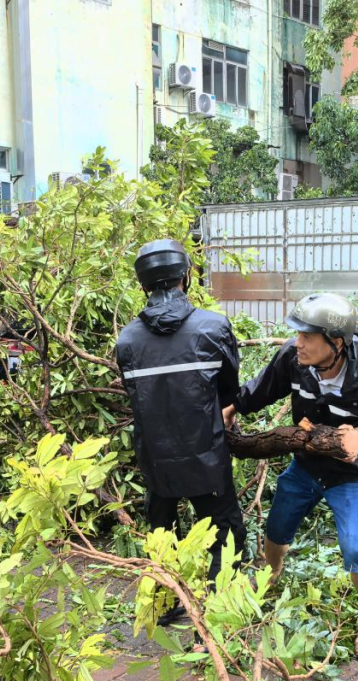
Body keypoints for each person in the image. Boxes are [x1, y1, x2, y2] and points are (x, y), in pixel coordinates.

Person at [223, 293, 358, 659]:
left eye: (307, 336)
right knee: (277, 526)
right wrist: (229, 409)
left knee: (355, 546)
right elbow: (261, 390)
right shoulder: (294, 360)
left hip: (356, 471)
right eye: (298, 334)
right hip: (308, 463)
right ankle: (271, 573)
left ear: (336, 342)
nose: (298, 343)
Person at [115, 238, 246, 624]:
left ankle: (166, 605)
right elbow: (230, 389)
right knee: (225, 533)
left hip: (156, 458)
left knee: (162, 531)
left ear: (142, 284)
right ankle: (216, 615)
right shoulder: (214, 326)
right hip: (207, 453)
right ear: (185, 276)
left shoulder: (127, 340)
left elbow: (134, 396)